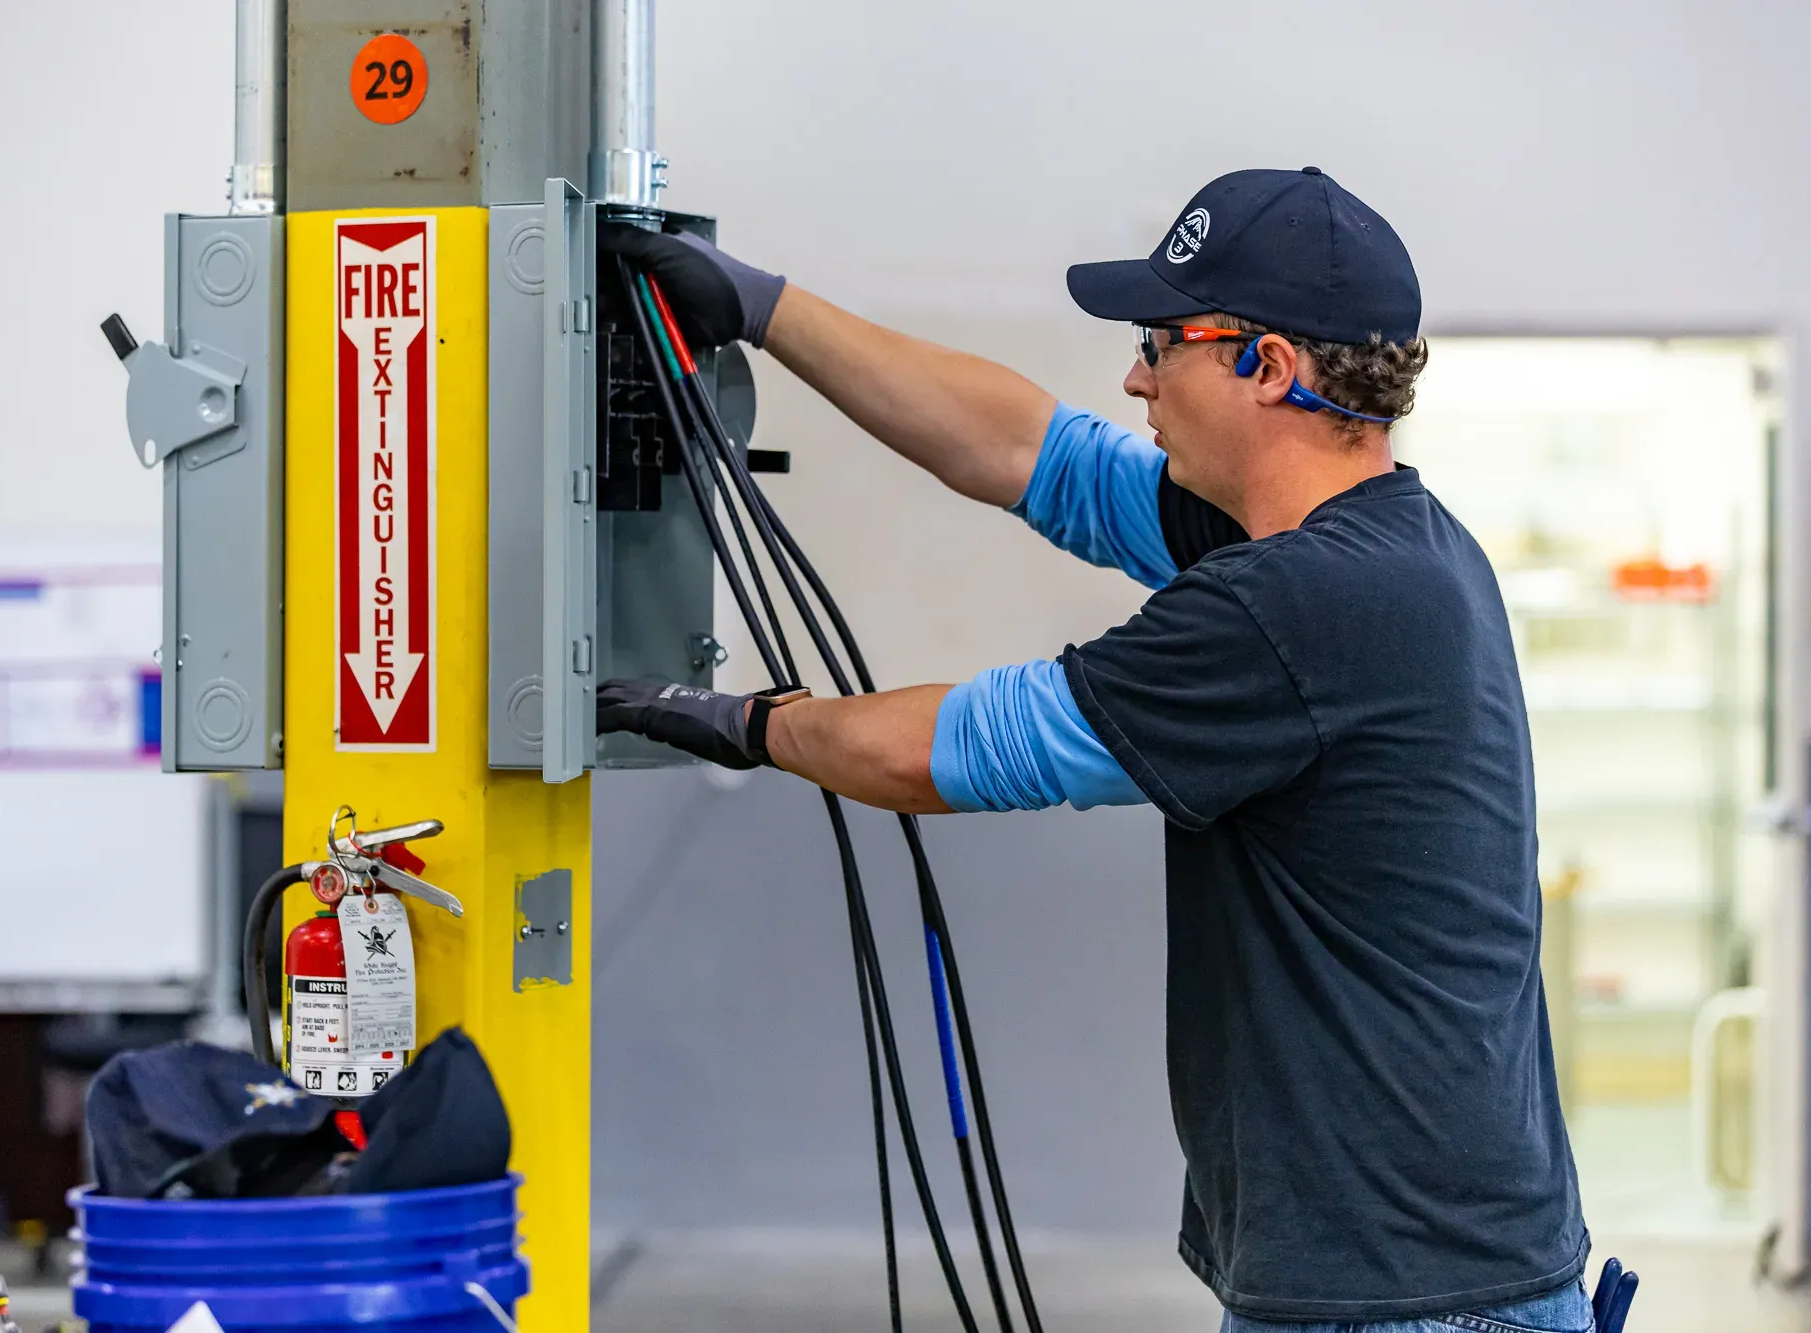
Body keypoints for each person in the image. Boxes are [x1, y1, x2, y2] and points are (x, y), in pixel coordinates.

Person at [598, 167, 1591, 1333]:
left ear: (1266, 365)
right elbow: (1027, 451)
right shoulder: (1387, 546)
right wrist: (762, 306)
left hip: (1407, 1295)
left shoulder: (1304, 602)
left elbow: (951, 750)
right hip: (1412, 1270)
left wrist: (742, 722)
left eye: (1160, 343)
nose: (1134, 377)